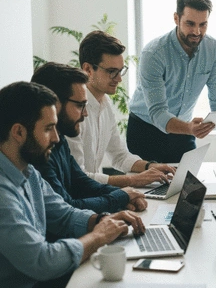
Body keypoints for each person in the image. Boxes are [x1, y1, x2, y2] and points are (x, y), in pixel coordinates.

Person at [0, 81, 145, 288]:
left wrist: (101, 220)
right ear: (18, 132)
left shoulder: (27, 171)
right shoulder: (3, 194)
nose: (57, 138)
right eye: (48, 129)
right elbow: (42, 260)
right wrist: (99, 236)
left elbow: (64, 214)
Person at [127, 0, 216, 164]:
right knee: (146, 190)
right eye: (190, 24)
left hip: (183, 131)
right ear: (176, 18)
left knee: (189, 186)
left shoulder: (212, 49)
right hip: (145, 130)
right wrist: (189, 128)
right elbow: (157, 112)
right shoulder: (154, 54)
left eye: (203, 25)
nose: (197, 32)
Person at [31, 62, 148, 214]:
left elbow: (80, 182)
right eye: (80, 106)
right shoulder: (38, 150)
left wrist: (125, 195)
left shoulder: (60, 139)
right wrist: (119, 197)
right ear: (54, 104)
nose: (85, 114)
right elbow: (67, 206)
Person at [66, 30, 175, 187]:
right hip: (79, 199)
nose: (119, 78)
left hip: (94, 193)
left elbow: (119, 156)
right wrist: (132, 180)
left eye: (121, 70)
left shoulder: (106, 103)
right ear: (88, 69)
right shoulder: (73, 112)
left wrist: (150, 166)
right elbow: (77, 177)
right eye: (112, 72)